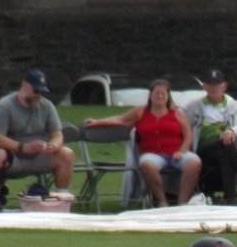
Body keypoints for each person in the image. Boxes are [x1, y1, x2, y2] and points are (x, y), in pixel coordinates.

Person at [85, 78, 203, 207]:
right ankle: (161, 201)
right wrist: (97, 122)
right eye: (157, 93)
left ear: (168, 96)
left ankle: (182, 202)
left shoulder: (177, 112)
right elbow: (120, 120)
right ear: (150, 95)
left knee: (194, 162)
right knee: (147, 165)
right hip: (153, 154)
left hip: (176, 153)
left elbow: (188, 136)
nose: (160, 96)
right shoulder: (141, 111)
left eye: (163, 93)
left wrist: (182, 151)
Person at [0, 68, 76, 211]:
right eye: (36, 91)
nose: (38, 96)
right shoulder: (5, 105)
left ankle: (61, 199)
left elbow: (57, 135)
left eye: (41, 92)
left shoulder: (47, 106)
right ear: (25, 86)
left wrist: (53, 145)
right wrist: (23, 147)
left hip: (38, 155)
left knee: (66, 153)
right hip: (14, 155)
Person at [182, 69, 237, 205]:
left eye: (217, 84)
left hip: (226, 148)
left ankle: (230, 197)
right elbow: (180, 120)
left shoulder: (235, 106)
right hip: (203, 150)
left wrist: (231, 131)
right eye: (210, 84)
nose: (214, 88)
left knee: (224, 152)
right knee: (224, 145)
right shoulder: (193, 106)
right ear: (204, 86)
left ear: (224, 86)